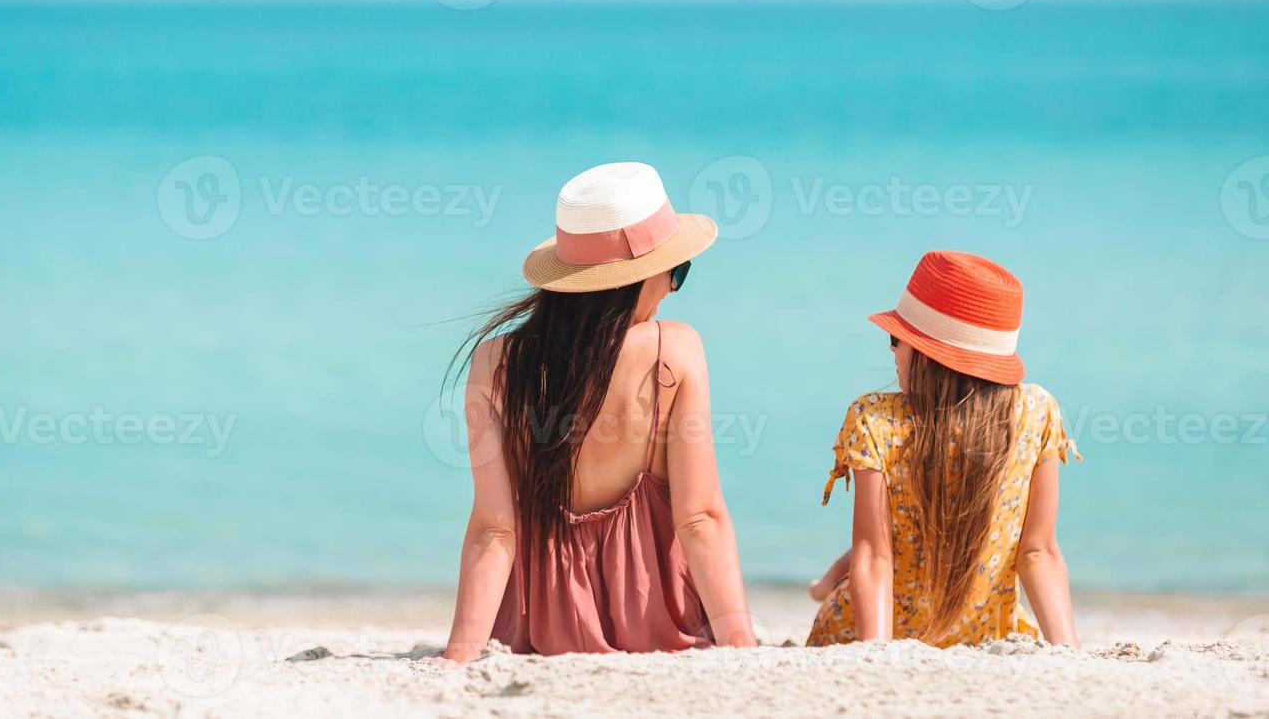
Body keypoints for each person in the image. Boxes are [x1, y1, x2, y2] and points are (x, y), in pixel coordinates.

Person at [437, 161, 756, 662]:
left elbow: (494, 529)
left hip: (540, 628)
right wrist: (741, 642)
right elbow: (701, 518)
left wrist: (458, 653)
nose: (673, 289)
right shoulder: (672, 350)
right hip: (656, 619)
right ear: (636, 278)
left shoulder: (495, 363)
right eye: (677, 272)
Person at [807, 250, 1081, 648]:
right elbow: (1038, 552)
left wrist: (875, 652)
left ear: (929, 354)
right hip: (987, 636)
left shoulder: (875, 419)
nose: (891, 351)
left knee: (877, 548)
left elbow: (874, 557)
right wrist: (1069, 652)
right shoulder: (1036, 412)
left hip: (866, 627)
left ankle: (822, 585)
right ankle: (824, 582)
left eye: (895, 339)